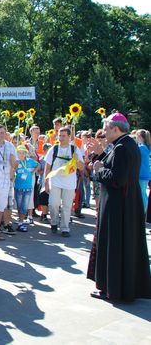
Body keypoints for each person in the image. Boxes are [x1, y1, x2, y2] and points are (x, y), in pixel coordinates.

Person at [85, 112, 151, 301]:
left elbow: (117, 178)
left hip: (117, 207)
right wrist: (100, 155)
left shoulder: (122, 147)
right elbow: (114, 165)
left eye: (106, 128)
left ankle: (112, 289)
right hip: (125, 204)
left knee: (114, 247)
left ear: (115, 128)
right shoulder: (126, 145)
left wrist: (98, 169)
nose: (104, 132)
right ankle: (126, 287)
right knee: (125, 247)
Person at [44, 126, 85, 237]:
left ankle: (65, 228)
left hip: (70, 183)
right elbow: (47, 167)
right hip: (55, 181)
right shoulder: (54, 149)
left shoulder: (75, 149)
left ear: (69, 136)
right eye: (59, 135)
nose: (61, 138)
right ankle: (54, 222)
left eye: (63, 136)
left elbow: (81, 167)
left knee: (67, 206)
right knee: (53, 204)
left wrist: (77, 159)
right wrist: (46, 181)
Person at [14, 145, 39, 232]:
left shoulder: (30, 161)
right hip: (18, 187)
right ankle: (20, 220)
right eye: (19, 153)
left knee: (24, 206)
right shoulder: (16, 162)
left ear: (25, 154)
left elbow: (38, 164)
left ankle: (21, 222)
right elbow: (12, 171)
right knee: (19, 206)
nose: (21, 154)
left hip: (28, 188)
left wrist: (33, 172)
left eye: (23, 153)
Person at [135, 129, 150, 214]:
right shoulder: (145, 147)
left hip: (142, 174)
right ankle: (143, 211)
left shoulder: (141, 148)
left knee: (142, 193)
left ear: (140, 137)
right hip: (145, 173)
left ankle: (143, 211)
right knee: (143, 192)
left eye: (137, 136)